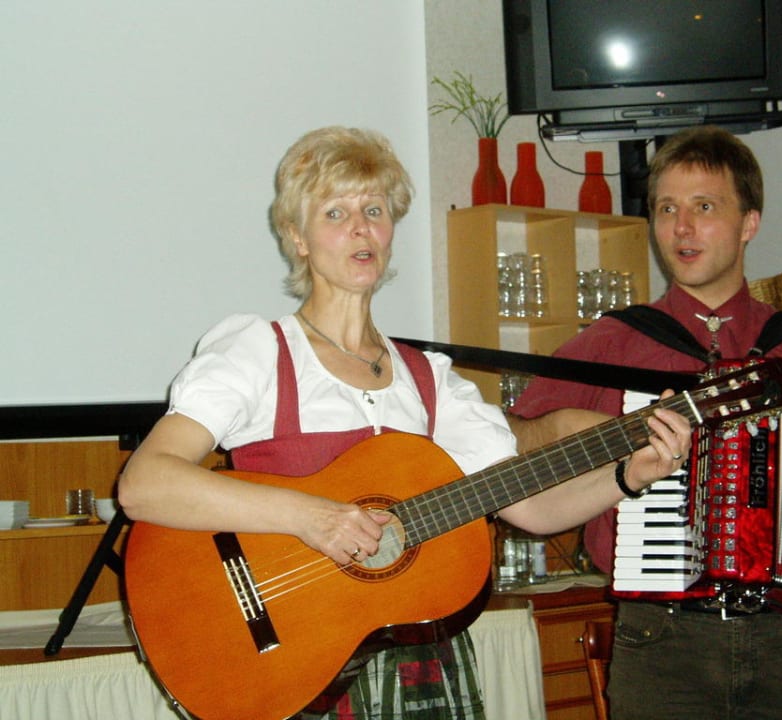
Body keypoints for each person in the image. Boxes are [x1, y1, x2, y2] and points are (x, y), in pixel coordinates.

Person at [118, 125, 692, 720]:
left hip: (418, 662)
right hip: (293, 659)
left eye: (374, 209)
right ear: (297, 238)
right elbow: (145, 485)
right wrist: (313, 519)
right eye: (335, 212)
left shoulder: (428, 378)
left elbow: (532, 509)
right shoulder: (259, 352)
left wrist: (628, 475)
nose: (361, 228)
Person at [508, 125, 782, 720]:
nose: (682, 228)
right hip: (660, 642)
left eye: (705, 207)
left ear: (750, 223)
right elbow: (510, 448)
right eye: (667, 208)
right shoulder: (614, 342)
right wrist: (580, 425)